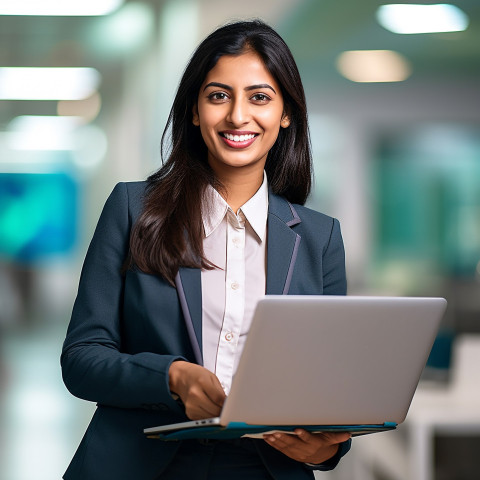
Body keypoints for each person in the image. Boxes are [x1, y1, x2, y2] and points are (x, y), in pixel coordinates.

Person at [61, 19, 351, 480]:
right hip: (142, 464)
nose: (238, 116)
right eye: (218, 95)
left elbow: (332, 388)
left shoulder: (320, 238)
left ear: (286, 113)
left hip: (267, 468)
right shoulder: (132, 209)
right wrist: (172, 376)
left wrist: (323, 451)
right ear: (195, 110)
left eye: (260, 97)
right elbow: (82, 358)